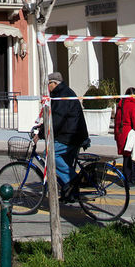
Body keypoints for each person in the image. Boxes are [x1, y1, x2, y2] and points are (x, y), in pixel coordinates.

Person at [44, 71, 89, 200]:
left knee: (49, 155)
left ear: (54, 83)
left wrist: (42, 133)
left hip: (70, 136)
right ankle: (69, 195)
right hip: (74, 134)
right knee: (66, 164)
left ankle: (74, 178)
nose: (48, 87)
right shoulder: (64, 92)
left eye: (49, 84)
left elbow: (57, 119)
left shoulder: (62, 95)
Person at [114, 87, 135, 186]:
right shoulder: (132, 105)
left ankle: (134, 174)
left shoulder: (121, 103)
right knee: (128, 157)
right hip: (128, 134)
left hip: (120, 132)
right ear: (132, 95)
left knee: (128, 155)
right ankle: (128, 179)